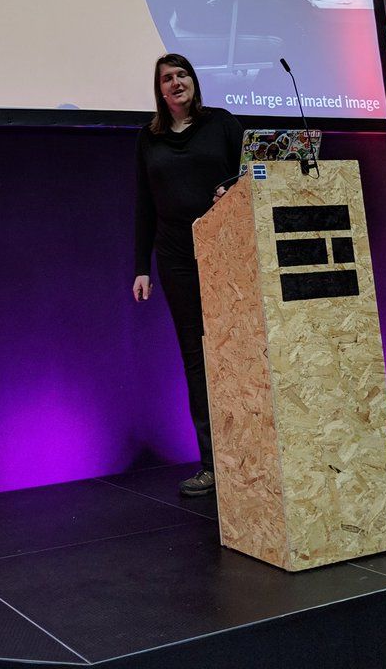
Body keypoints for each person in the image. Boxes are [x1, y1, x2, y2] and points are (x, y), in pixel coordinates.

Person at [133, 52, 244, 497]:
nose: (176, 82)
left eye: (182, 75)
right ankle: (213, 465)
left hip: (227, 252)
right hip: (176, 256)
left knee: (237, 350)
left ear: (194, 81)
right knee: (196, 357)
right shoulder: (149, 138)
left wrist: (231, 188)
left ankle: (252, 458)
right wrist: (141, 267)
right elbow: (144, 203)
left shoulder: (222, 123)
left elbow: (251, 176)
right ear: (159, 90)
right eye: (167, 78)